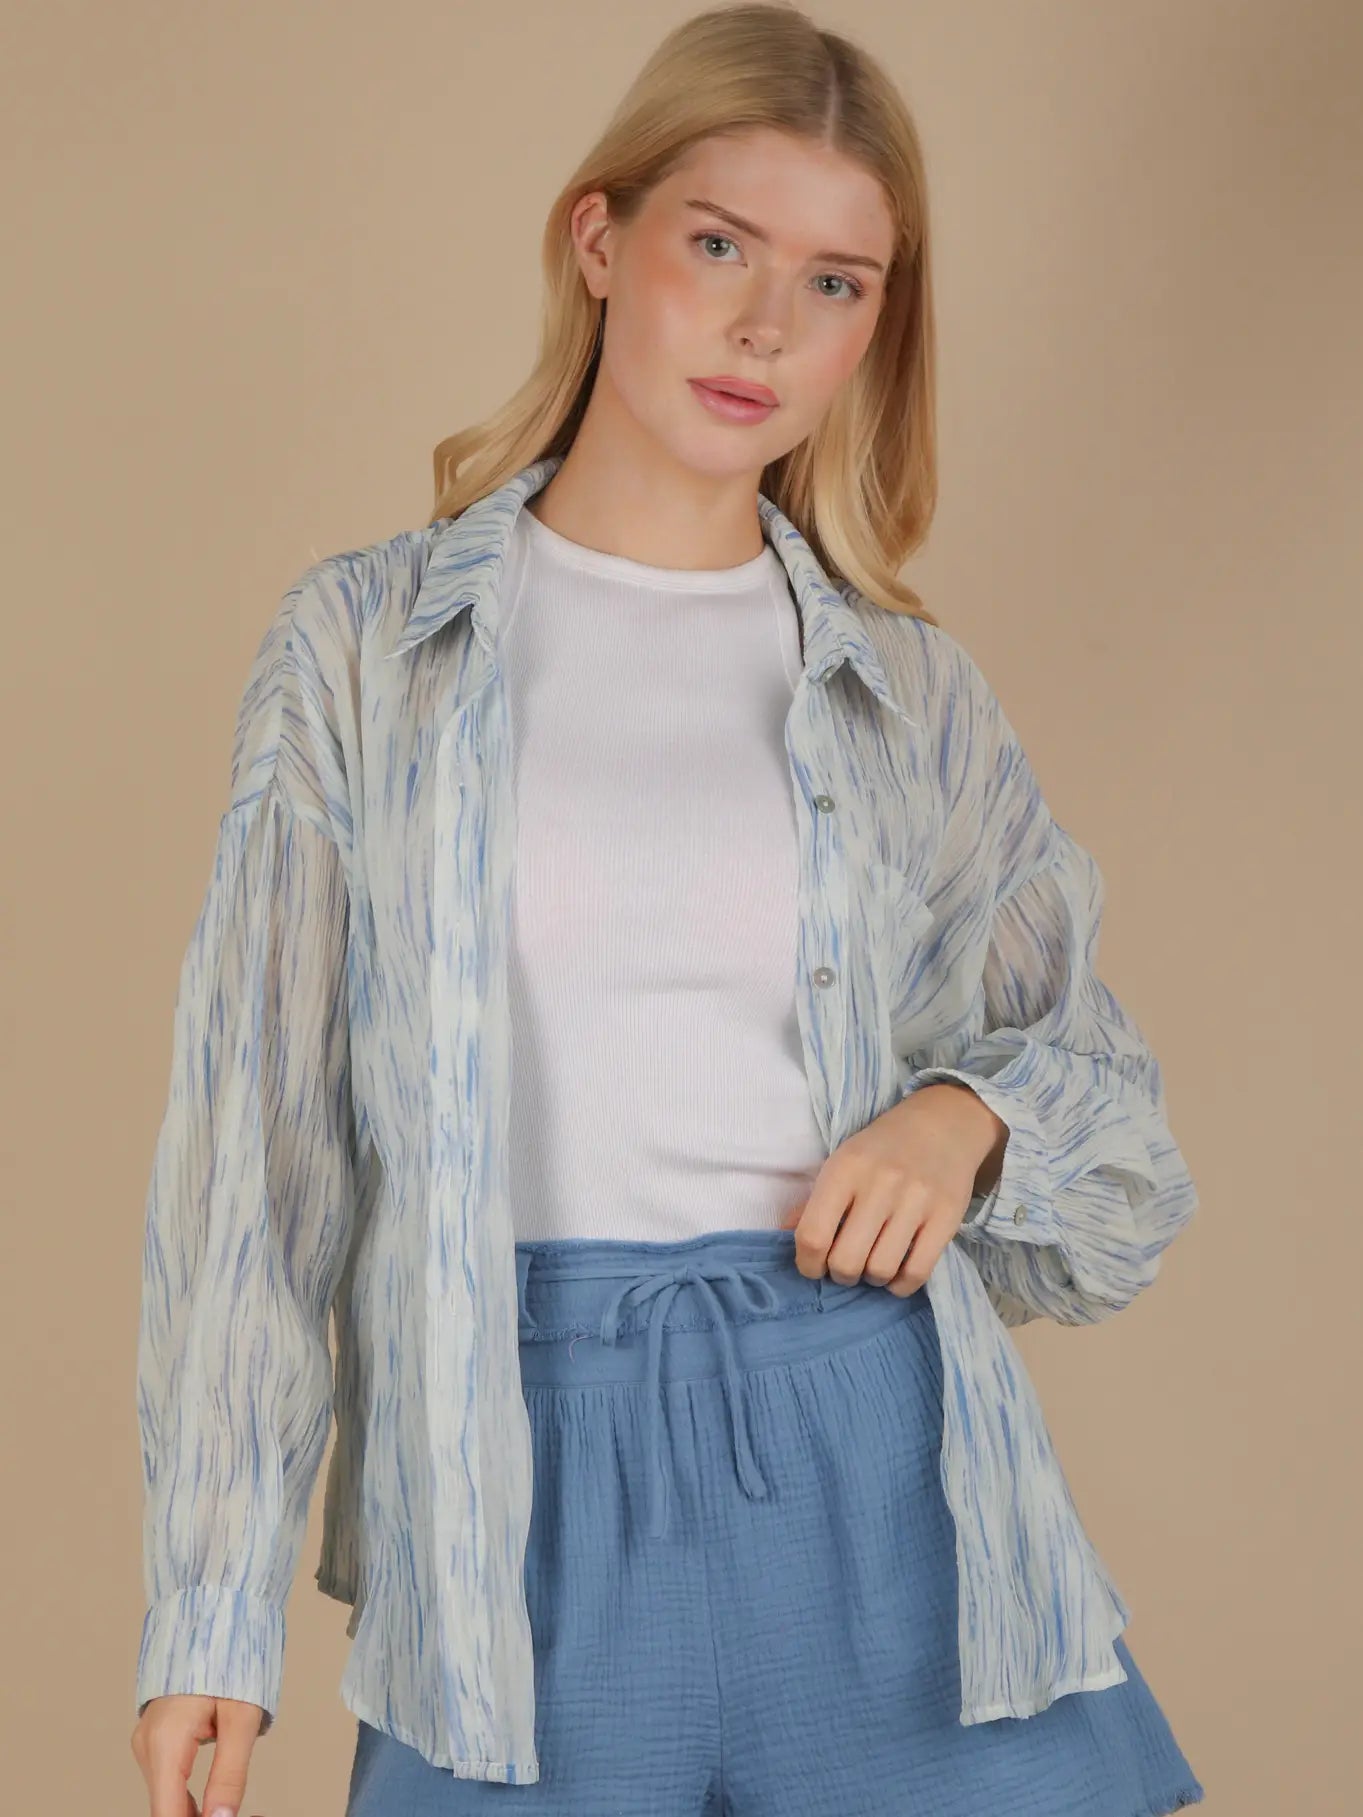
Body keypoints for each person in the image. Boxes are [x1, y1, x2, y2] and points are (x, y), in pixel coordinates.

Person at [129, 6, 1207, 1814]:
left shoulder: (909, 694)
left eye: (836, 283)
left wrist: (963, 1118)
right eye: (719, 245)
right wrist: (210, 1615)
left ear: (877, 324)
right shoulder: (365, 652)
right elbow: (260, 1158)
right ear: (600, 239)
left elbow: (1115, 1131)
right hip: (516, 1478)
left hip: (871, 1448)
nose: (766, 326)